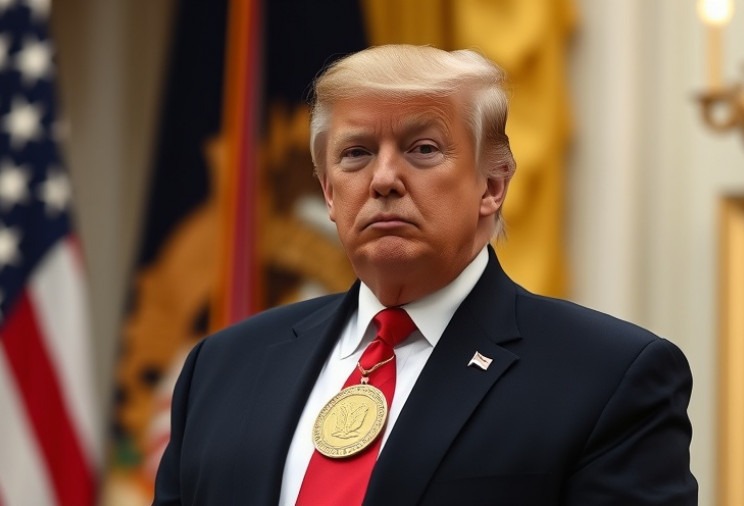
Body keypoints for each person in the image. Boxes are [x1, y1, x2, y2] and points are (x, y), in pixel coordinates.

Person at [153, 44, 698, 505]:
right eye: (357, 153)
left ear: (492, 186)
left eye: (423, 149)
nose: (384, 178)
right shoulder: (221, 369)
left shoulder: (606, 378)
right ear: (328, 193)